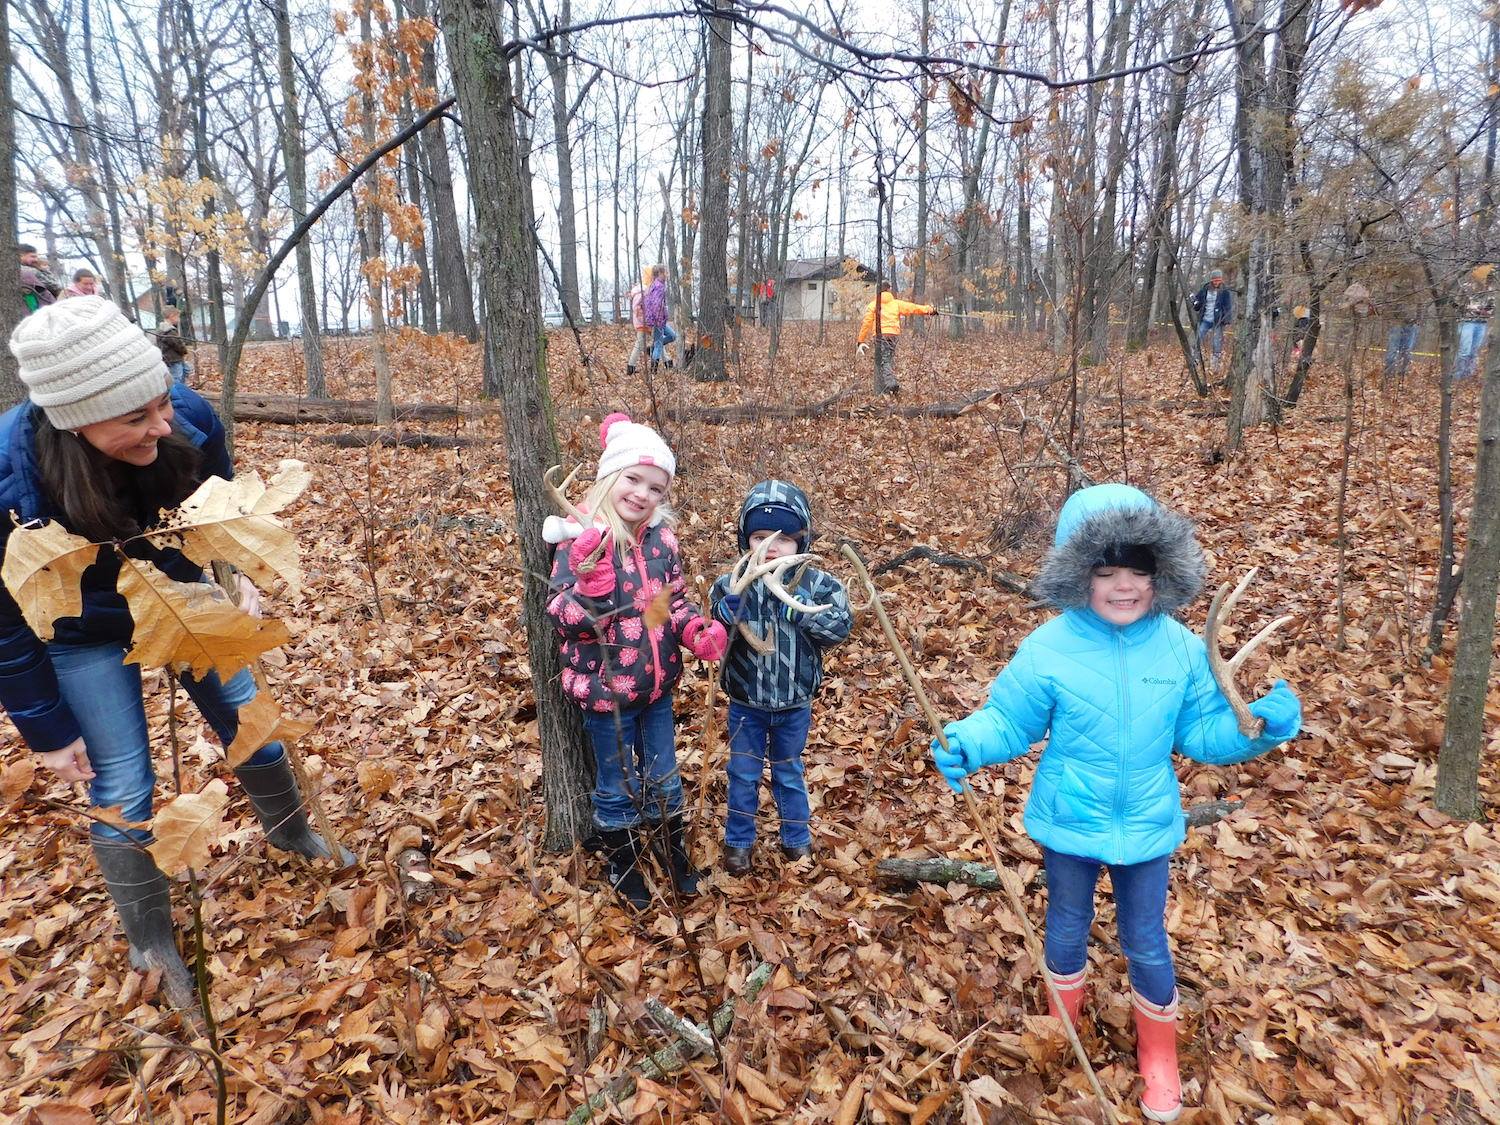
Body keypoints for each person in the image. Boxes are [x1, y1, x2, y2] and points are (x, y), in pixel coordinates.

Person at [1, 297, 351, 1011]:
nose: (163, 424)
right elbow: (6, 618)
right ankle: (151, 939)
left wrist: (234, 573)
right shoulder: (13, 475)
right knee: (123, 783)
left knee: (252, 722)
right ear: (74, 418)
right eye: (135, 417)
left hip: (184, 598)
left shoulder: (187, 414)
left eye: (162, 401)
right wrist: (48, 729)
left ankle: (293, 834)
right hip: (83, 634)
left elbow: (223, 506)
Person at [930, 484, 1302, 1122]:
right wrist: (967, 740)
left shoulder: (1182, 648)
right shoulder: (1050, 647)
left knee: (1147, 940)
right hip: (1070, 820)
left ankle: (1160, 1057)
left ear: (1162, 575)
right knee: (1067, 926)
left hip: (1149, 825)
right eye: (1106, 572)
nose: (1123, 586)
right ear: (1081, 576)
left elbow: (1200, 734)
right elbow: (1010, 721)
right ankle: (1062, 1030)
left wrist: (1254, 731)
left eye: (1137, 571)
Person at [545, 413, 727, 909]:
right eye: (633, 479)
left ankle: (671, 851)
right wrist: (592, 590)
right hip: (607, 692)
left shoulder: (661, 541)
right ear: (609, 477)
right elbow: (562, 616)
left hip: (656, 686)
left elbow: (668, 605)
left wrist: (693, 631)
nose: (642, 493)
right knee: (616, 781)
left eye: (655, 487)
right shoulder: (580, 539)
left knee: (665, 774)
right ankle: (624, 862)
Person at [708, 481, 852, 874]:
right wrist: (725, 611)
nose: (771, 546)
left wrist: (800, 613)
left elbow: (839, 628)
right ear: (745, 539)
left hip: (794, 702)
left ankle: (796, 839)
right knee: (743, 772)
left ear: (801, 541)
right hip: (745, 702)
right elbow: (715, 627)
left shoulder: (819, 585)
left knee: (788, 770)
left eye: (784, 539)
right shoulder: (732, 582)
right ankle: (738, 843)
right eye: (759, 536)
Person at [855, 282, 936, 392]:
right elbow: (913, 308)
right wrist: (930, 310)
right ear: (888, 290)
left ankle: (890, 384)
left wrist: (860, 340)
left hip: (880, 335)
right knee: (887, 359)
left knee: (884, 361)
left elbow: (866, 323)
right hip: (893, 335)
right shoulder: (896, 304)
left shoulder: (873, 305)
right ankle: (887, 385)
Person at [1455, 267, 1493, 381]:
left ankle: (1468, 377)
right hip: (1467, 322)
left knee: (1474, 352)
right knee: (1464, 351)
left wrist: (1484, 312)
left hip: (1481, 323)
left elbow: (1491, 309)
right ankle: (1458, 377)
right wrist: (1472, 308)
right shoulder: (1466, 288)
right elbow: (1456, 304)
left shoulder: (1489, 291)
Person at [1191, 269, 1233, 365]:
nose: (1216, 282)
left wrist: (1227, 320)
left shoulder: (1224, 291)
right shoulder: (1205, 289)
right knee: (1198, 337)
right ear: (1211, 280)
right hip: (1205, 319)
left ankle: (1215, 364)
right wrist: (1195, 302)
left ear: (1221, 280)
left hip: (1218, 320)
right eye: (1214, 280)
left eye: (1218, 280)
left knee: (1216, 342)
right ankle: (1194, 358)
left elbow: (1228, 306)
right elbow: (1197, 301)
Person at [643, 265, 676, 371]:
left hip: (660, 319)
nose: (666, 275)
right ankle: (653, 370)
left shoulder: (656, 285)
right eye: (665, 272)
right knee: (658, 344)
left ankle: (652, 348)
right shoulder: (658, 286)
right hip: (658, 320)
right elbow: (656, 304)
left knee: (672, 336)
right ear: (660, 273)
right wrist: (658, 320)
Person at [18, 244, 60, 313]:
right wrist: (43, 269)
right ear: (21, 256)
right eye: (33, 256)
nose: (36, 260)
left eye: (37, 257)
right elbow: (54, 286)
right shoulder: (30, 271)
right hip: (35, 307)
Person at [155, 306, 190, 385]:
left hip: (176, 358)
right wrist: (184, 350)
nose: (179, 319)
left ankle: (183, 388)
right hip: (173, 359)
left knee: (186, 369)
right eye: (177, 317)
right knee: (176, 377)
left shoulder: (164, 330)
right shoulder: (168, 331)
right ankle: (177, 391)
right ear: (171, 316)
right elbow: (177, 344)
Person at [626, 267, 650, 377]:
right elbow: (639, 309)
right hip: (643, 322)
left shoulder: (639, 290)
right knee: (640, 343)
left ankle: (668, 361)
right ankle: (630, 366)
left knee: (657, 341)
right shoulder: (644, 292)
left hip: (642, 321)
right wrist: (645, 320)